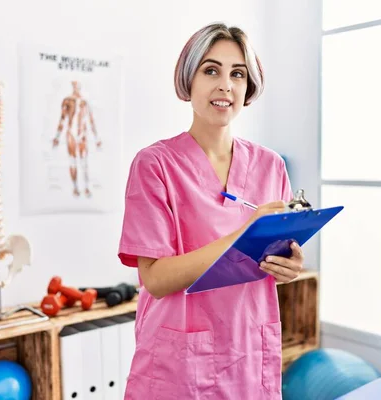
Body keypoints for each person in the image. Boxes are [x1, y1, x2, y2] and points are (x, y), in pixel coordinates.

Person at [118, 22, 305, 399]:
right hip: (179, 365)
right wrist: (241, 234)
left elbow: (273, 258)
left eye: (238, 74)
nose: (225, 85)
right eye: (211, 70)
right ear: (189, 80)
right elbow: (154, 278)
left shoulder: (271, 166)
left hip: (249, 353)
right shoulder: (155, 165)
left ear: (248, 87)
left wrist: (289, 267)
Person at [52, 80, 101, 197]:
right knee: (73, 161)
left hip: (82, 134)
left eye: (77, 85)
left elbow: (91, 120)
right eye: (74, 85)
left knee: (84, 162)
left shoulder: (84, 102)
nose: (76, 87)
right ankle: (75, 188)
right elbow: (62, 119)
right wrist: (57, 137)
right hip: (71, 134)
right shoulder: (67, 101)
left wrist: (96, 139)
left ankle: (86, 188)